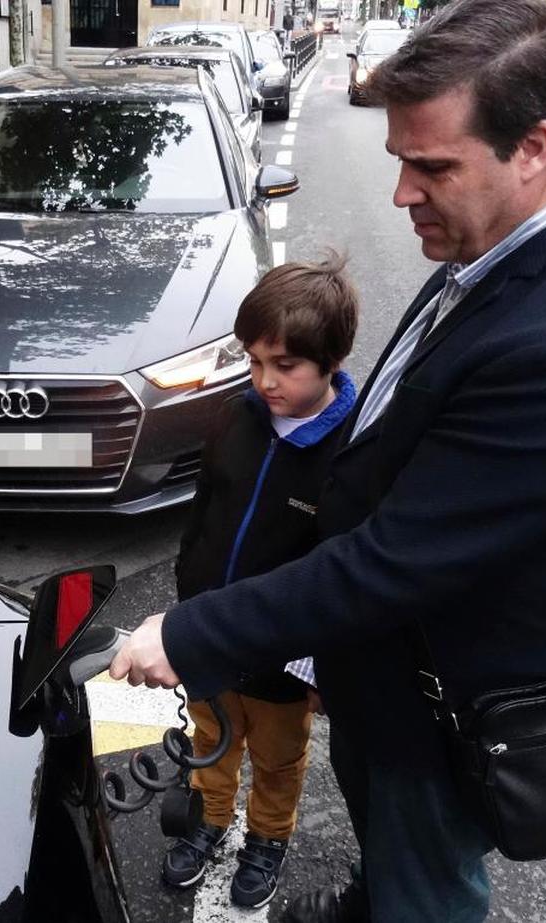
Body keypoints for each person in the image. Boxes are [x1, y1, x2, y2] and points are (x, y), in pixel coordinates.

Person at [111, 0, 546, 920]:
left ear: (533, 147)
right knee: (395, 861)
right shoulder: (508, 245)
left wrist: (190, 634)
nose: (402, 194)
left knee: (428, 883)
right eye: (401, 162)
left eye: (432, 167)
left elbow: (400, 561)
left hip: (448, 704)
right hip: (390, 672)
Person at [161, 254, 359, 909]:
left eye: (285, 366)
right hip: (212, 636)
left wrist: (319, 667)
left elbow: (341, 571)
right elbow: (203, 511)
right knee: (210, 739)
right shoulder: (235, 419)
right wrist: (188, 593)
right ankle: (211, 820)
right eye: (253, 361)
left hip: (282, 658)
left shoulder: (349, 452)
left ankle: (268, 837)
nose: (264, 380)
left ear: (330, 360)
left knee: (277, 757)